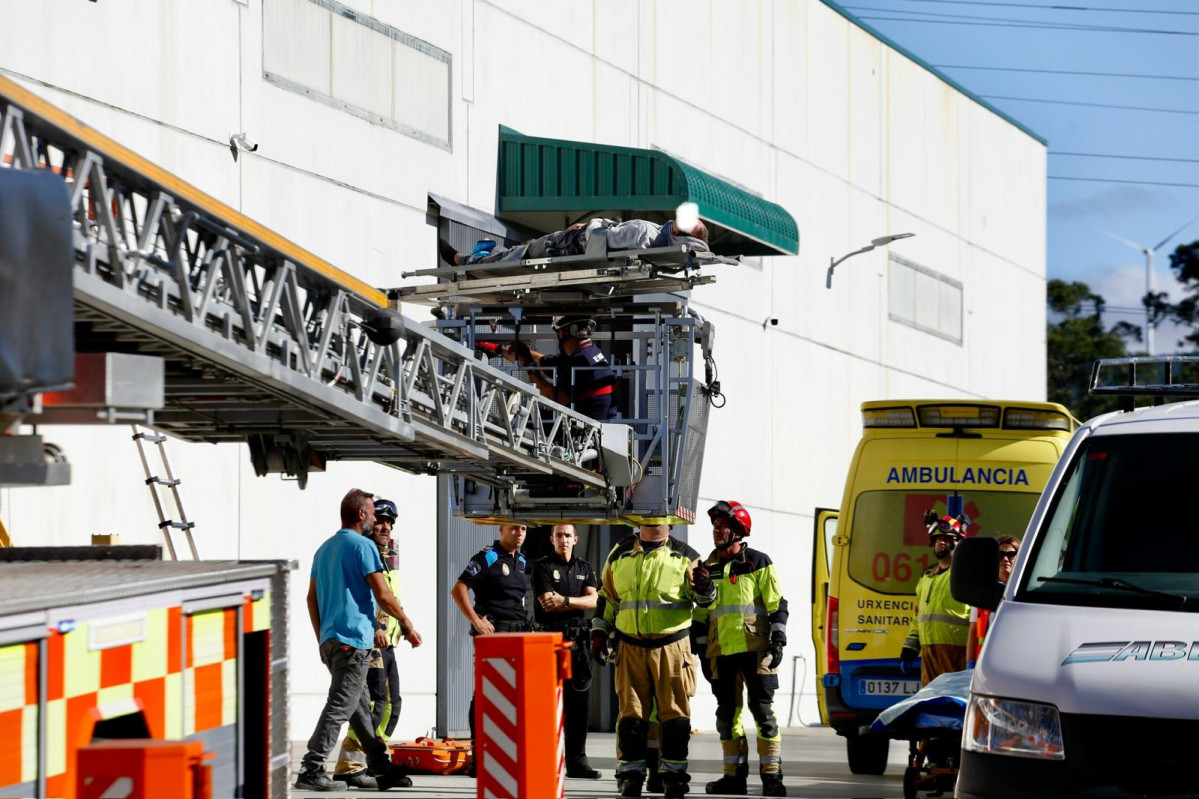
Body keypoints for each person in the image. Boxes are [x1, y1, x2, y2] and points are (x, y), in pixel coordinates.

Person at [296, 489, 415, 792]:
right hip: (354, 642)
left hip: (333, 640)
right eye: (373, 513)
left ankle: (380, 766)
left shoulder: (324, 549)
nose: (376, 519)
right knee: (339, 706)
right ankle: (312, 767)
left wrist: (322, 636)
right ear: (361, 514)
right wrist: (406, 623)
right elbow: (383, 594)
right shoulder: (363, 547)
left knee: (359, 706)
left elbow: (311, 599)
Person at [591, 522, 716, 798]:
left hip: (672, 647)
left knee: (675, 717)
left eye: (660, 515)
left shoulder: (687, 556)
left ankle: (673, 778)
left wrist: (707, 588)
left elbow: (706, 602)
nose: (653, 520)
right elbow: (607, 598)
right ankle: (630, 776)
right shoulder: (619, 553)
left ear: (671, 522)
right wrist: (599, 632)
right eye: (648, 514)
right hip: (630, 647)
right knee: (630, 716)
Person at [698, 501, 789, 797]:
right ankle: (733, 776)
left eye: (723, 525)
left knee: (763, 712)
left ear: (738, 530)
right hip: (721, 652)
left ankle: (772, 776)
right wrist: (700, 650)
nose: (717, 530)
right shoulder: (706, 569)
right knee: (726, 715)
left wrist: (778, 641)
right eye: (715, 525)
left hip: (758, 649)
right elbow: (701, 615)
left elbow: (777, 605)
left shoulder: (759, 562)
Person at [333, 499, 422, 784]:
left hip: (389, 641)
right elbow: (365, 598)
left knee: (392, 704)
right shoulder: (365, 553)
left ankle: (376, 762)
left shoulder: (386, 555)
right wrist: (375, 628)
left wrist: (403, 628)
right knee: (374, 705)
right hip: (371, 641)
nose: (385, 527)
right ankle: (350, 766)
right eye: (381, 521)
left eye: (390, 523)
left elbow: (391, 598)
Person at [451, 523, 532, 743]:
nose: (519, 533)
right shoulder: (488, 556)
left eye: (523, 529)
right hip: (494, 634)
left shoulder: (522, 560)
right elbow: (458, 589)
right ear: (501, 530)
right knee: (487, 693)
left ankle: (505, 745)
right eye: (514, 528)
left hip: (517, 634)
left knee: (513, 695)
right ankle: (479, 751)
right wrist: (476, 621)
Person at [532, 523, 602, 779]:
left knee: (578, 706)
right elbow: (547, 604)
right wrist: (572, 602)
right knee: (547, 706)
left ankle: (577, 762)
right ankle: (547, 760)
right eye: (559, 535)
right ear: (552, 539)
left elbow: (595, 601)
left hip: (577, 645)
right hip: (549, 643)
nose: (563, 540)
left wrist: (566, 600)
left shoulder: (585, 567)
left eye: (568, 536)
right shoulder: (542, 566)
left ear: (576, 539)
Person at [439, 217, 710, 267]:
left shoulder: (645, 233)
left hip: (573, 245)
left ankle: (464, 260)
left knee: (523, 254)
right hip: (580, 247)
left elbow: (601, 239)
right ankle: (487, 250)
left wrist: (587, 226)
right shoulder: (660, 243)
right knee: (521, 251)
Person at [496, 315, 617, 420]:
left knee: (520, 422)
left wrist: (530, 367)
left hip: (581, 432)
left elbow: (553, 400)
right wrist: (499, 350)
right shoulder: (588, 352)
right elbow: (540, 361)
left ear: (563, 333)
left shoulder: (581, 360)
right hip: (587, 425)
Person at [901, 512, 971, 686]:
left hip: (958, 655)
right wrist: (910, 648)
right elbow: (918, 618)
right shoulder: (927, 578)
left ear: (957, 543)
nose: (942, 543)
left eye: (947, 539)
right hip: (929, 654)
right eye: (938, 539)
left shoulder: (965, 575)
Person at [966, 535, 1020, 668]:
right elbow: (973, 632)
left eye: (1011, 554)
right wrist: (970, 663)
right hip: (984, 666)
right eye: (1000, 555)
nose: (1005, 559)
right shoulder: (983, 592)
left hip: (1016, 664)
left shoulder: (1025, 591)